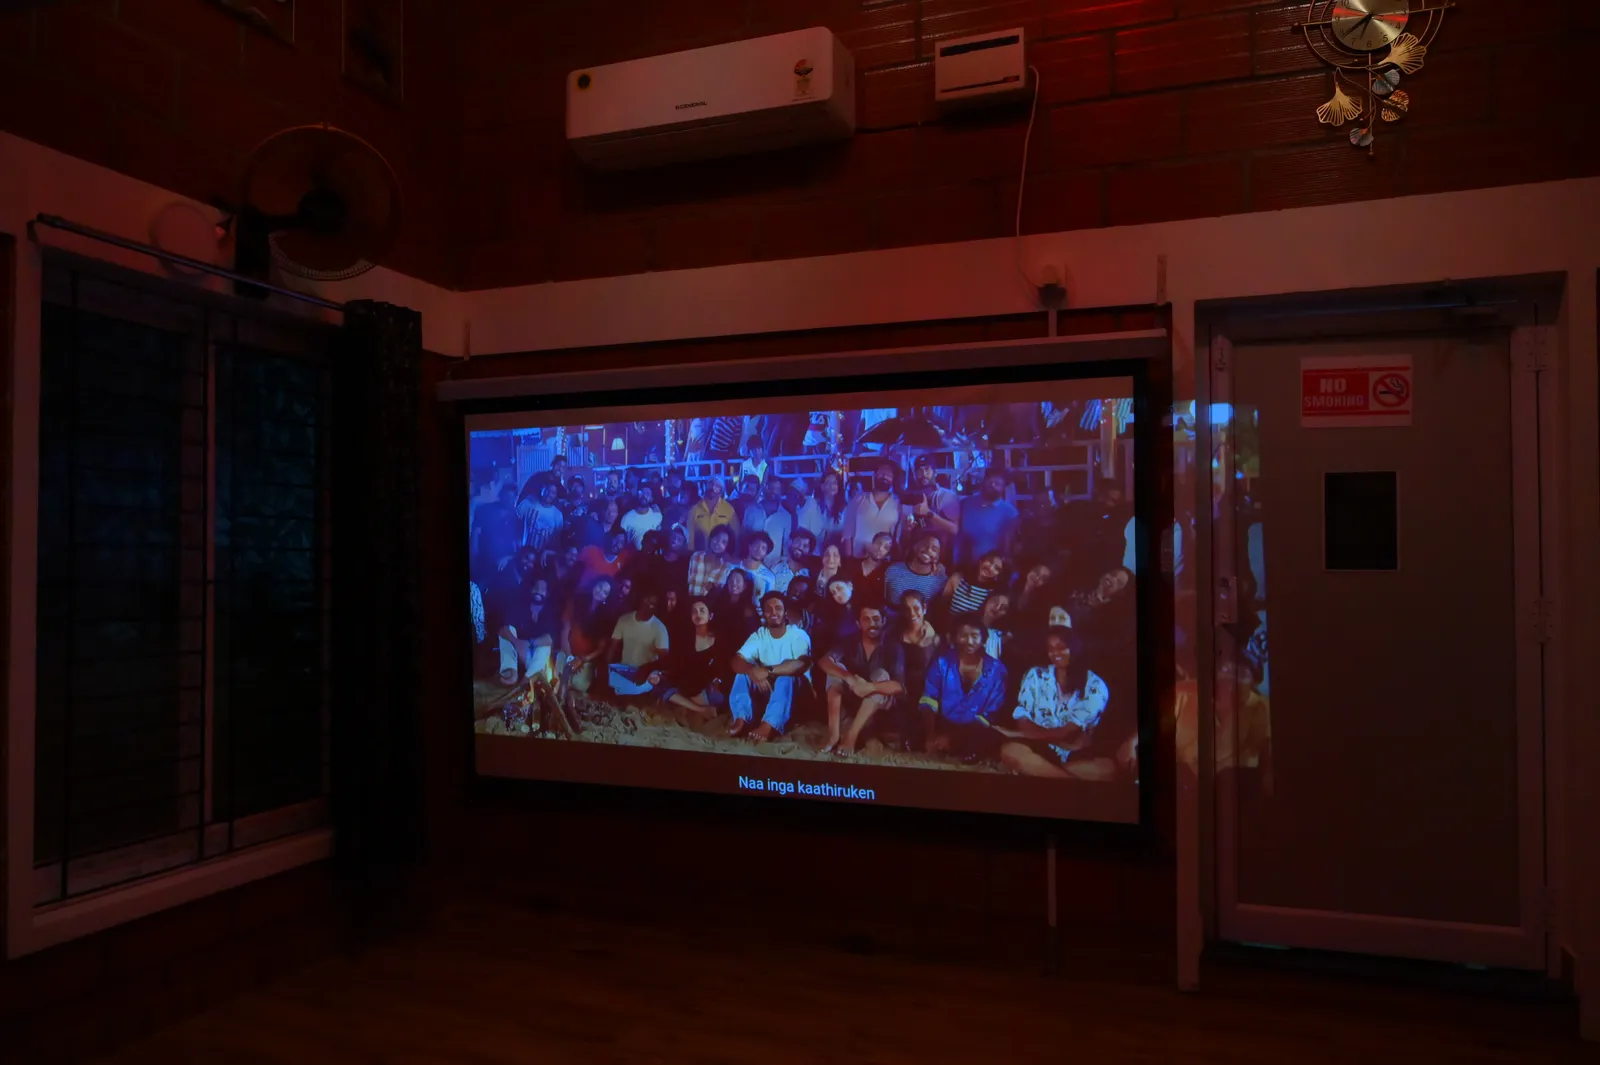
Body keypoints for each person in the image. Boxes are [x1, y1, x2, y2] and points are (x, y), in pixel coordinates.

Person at [997, 628, 1110, 778]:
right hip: (1036, 747)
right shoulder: (1035, 675)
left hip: (1075, 754)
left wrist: (1019, 734)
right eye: (1050, 648)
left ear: (1075, 649)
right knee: (1010, 751)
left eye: (1061, 647)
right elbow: (1022, 718)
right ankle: (1059, 777)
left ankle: (1039, 772)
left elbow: (1069, 732)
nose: (1055, 653)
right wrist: (1056, 741)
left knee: (1109, 768)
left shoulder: (1095, 686)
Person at [818, 602, 906, 755]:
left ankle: (851, 737)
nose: (872, 624)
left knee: (881, 675)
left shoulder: (893, 647)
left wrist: (869, 687)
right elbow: (824, 661)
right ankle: (833, 733)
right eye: (866, 619)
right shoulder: (849, 641)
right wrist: (850, 678)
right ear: (859, 624)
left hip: (878, 708)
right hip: (851, 702)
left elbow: (899, 686)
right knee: (836, 669)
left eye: (876, 619)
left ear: (883, 621)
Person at [919, 614, 1009, 763]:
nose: (969, 641)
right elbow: (929, 698)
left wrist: (952, 737)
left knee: (988, 737)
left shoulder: (997, 670)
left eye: (975, 636)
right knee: (915, 724)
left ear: (983, 639)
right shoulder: (942, 662)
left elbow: (991, 714)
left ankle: (956, 747)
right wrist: (931, 735)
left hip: (975, 728)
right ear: (954, 638)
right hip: (944, 722)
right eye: (963, 635)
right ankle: (941, 744)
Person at [728, 592, 813, 742]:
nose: (773, 612)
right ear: (764, 614)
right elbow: (736, 661)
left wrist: (767, 671)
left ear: (785, 613)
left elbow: (800, 664)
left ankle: (768, 725)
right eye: (769, 609)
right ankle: (741, 718)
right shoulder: (760, 635)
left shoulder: (798, 634)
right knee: (742, 674)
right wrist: (752, 670)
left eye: (778, 608)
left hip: (798, 695)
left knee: (785, 678)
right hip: (769, 691)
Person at [660, 599, 729, 717]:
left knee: (721, 698)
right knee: (659, 686)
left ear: (710, 615)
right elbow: (675, 664)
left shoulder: (718, 641)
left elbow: (720, 669)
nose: (698, 615)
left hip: (705, 688)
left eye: (702, 611)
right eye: (694, 611)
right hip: (684, 684)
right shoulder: (684, 638)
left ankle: (690, 706)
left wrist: (717, 680)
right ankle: (700, 710)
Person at [495, 576, 561, 685]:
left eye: (543, 589)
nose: (538, 591)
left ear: (547, 593)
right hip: (518, 651)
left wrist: (528, 644)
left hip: (535, 656)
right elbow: (503, 630)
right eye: (536, 587)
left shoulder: (550, 611)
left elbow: (550, 639)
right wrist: (518, 644)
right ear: (531, 589)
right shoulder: (520, 605)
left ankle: (529, 679)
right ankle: (510, 672)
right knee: (507, 633)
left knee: (545, 646)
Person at [607, 591, 671, 698]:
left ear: (656, 607)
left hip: (645, 676)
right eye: (646, 600)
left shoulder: (660, 628)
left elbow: (664, 659)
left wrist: (652, 672)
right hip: (623, 671)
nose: (647, 605)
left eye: (652, 604)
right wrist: (606, 668)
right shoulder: (624, 619)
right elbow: (612, 648)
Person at [954, 469, 1019, 569]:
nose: (992, 485)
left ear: (1003, 487)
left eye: (997, 483)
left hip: (989, 569)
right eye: (990, 482)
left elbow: (1008, 547)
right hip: (961, 565)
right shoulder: (966, 503)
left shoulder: (1010, 513)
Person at [561, 577, 614, 692]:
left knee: (578, 685)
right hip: (567, 652)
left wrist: (582, 659)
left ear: (607, 598)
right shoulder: (575, 602)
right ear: (594, 585)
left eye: (605, 592)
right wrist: (569, 657)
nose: (600, 592)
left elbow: (601, 648)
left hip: (585, 660)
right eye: (600, 587)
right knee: (557, 678)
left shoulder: (606, 617)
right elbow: (565, 630)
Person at [841, 459, 902, 557]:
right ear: (875, 475)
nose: (885, 476)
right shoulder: (858, 499)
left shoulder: (898, 503)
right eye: (882, 472)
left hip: (884, 558)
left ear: (893, 479)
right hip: (858, 557)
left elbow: (898, 534)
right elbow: (848, 532)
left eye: (889, 475)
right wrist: (849, 559)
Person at [883, 532, 947, 623]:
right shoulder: (893, 570)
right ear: (915, 546)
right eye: (925, 545)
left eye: (934, 549)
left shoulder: (939, 580)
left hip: (918, 626)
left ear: (938, 556)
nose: (928, 550)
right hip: (889, 624)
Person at [898, 454, 961, 543]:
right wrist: (906, 529)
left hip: (941, 551)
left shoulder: (947, 496)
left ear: (935, 473)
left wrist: (929, 514)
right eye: (919, 470)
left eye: (927, 469)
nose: (923, 474)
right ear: (914, 475)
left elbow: (955, 529)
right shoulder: (908, 498)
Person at [470, 484, 520, 582]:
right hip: (483, 557)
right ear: (501, 495)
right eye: (507, 496)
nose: (509, 499)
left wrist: (508, 558)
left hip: (504, 561)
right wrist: (473, 553)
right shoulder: (486, 509)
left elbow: (518, 546)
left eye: (513, 497)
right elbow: (476, 532)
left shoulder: (516, 517)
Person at [940, 551, 1007, 622]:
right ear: (981, 561)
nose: (990, 568)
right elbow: (942, 606)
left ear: (998, 575)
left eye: (996, 568)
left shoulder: (993, 593)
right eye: (990, 561)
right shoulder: (957, 578)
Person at [742, 476, 793, 561]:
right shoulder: (751, 510)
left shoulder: (786, 516)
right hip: (750, 563)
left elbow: (786, 545)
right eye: (770, 488)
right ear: (765, 489)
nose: (773, 492)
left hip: (773, 565)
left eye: (777, 489)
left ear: (781, 492)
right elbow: (743, 536)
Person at [796, 471, 847, 545]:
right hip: (815, 551)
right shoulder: (812, 504)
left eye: (834, 483)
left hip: (837, 552)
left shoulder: (844, 507)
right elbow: (802, 528)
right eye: (828, 483)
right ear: (822, 486)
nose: (831, 486)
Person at [688, 476, 738, 551]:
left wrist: (734, 554)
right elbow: (690, 535)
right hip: (701, 556)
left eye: (717, 486)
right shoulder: (694, 510)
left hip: (721, 556)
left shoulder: (728, 509)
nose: (712, 487)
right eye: (710, 484)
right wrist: (691, 553)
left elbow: (736, 534)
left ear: (721, 491)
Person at [687, 524, 735, 597]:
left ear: (727, 546)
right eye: (716, 538)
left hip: (709, 606)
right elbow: (688, 582)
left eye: (724, 542)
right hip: (689, 601)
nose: (718, 543)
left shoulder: (727, 567)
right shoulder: (696, 556)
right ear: (711, 538)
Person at [848, 531, 893, 607]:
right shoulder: (853, 564)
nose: (880, 549)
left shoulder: (886, 572)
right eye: (879, 543)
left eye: (886, 547)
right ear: (872, 543)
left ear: (888, 553)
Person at [717, 568, 761, 645]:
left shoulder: (748, 610)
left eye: (738, 581)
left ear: (745, 585)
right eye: (731, 580)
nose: (734, 583)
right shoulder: (720, 602)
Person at [577, 529, 630, 594]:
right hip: (581, 593)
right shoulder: (591, 551)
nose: (618, 544)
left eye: (621, 542)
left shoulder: (624, 561)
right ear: (609, 538)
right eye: (615, 539)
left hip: (601, 600)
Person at [519, 482, 565, 553]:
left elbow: (557, 539)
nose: (549, 494)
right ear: (542, 489)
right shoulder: (528, 503)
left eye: (553, 492)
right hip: (525, 553)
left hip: (543, 558)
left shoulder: (557, 515)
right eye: (547, 490)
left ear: (556, 495)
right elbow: (515, 521)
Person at [769, 527, 816, 596]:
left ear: (810, 551)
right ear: (791, 542)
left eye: (805, 546)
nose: (800, 547)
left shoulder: (811, 574)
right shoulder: (775, 567)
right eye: (797, 542)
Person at [619, 483, 663, 550]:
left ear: (651, 499)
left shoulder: (657, 516)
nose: (644, 495)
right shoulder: (627, 518)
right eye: (642, 492)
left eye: (648, 494)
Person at [738, 531, 776, 604]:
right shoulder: (734, 566)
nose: (759, 550)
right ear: (750, 546)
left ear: (766, 553)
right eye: (756, 545)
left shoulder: (769, 576)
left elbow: (769, 601)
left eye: (763, 548)